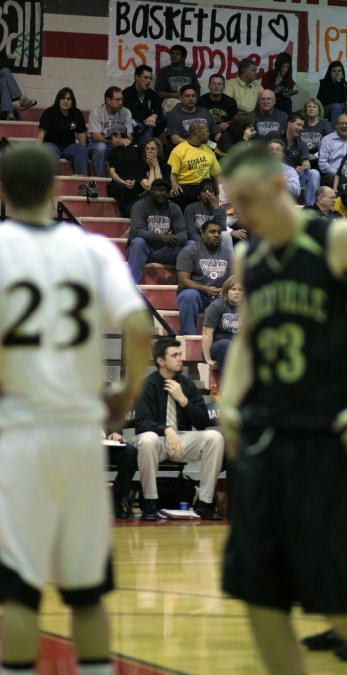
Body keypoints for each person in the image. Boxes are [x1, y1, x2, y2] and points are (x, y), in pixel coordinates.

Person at [219, 141, 347, 675]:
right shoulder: (250, 258)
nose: (237, 214)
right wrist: (230, 397)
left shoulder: (335, 239)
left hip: (330, 435)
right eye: (231, 204)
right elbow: (248, 341)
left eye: (244, 200)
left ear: (275, 187)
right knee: (258, 596)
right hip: (267, 434)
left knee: (337, 598)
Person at [0, 143, 151, 675]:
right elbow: (138, 326)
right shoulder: (90, 250)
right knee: (86, 593)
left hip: (17, 435)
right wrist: (125, 396)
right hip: (80, 435)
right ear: (54, 190)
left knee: (17, 593)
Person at [134, 336, 224, 520]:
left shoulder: (187, 384)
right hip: (158, 441)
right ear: (160, 361)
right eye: (174, 355)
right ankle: (150, 504)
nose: (180, 358)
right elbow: (142, 423)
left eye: (180, 354)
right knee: (147, 439)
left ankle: (205, 503)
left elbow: (202, 422)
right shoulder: (147, 385)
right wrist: (167, 429)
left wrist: (183, 400)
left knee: (214, 437)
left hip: (183, 440)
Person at [176, 220, 232, 335]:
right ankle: (188, 336)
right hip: (198, 295)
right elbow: (183, 280)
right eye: (212, 232)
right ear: (202, 234)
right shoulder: (189, 251)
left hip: (219, 296)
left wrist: (225, 290)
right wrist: (204, 289)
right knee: (189, 295)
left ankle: (226, 338)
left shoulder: (228, 254)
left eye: (219, 232)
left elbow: (234, 279)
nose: (216, 235)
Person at [127, 179, 187, 284]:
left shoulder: (174, 208)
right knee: (138, 242)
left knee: (191, 245)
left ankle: (186, 285)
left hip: (165, 250)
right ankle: (132, 287)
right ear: (151, 190)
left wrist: (175, 238)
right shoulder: (140, 205)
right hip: (145, 249)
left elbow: (183, 233)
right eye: (160, 190)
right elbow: (137, 231)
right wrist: (160, 237)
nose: (163, 193)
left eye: (166, 191)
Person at [168, 121, 222, 209]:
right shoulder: (179, 150)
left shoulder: (208, 150)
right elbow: (172, 173)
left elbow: (217, 175)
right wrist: (174, 184)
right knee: (177, 193)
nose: (209, 134)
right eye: (206, 131)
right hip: (185, 187)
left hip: (204, 187)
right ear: (197, 132)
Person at [37, 86, 89, 177]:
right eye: (63, 98)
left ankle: (81, 179)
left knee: (82, 150)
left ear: (72, 101)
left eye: (68, 99)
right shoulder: (50, 112)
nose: (65, 101)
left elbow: (82, 136)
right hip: (51, 144)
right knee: (51, 153)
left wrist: (84, 152)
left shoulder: (77, 113)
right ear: (58, 100)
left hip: (69, 146)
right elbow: (41, 134)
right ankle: (55, 181)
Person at [87, 87, 133, 177]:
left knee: (129, 147)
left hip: (116, 145)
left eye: (121, 99)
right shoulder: (97, 111)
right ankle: (100, 180)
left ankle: (124, 178)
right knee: (101, 147)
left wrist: (121, 142)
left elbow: (129, 136)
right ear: (108, 100)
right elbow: (95, 136)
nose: (121, 102)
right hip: (97, 145)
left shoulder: (126, 112)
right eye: (117, 100)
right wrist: (113, 141)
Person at [106, 123, 148, 217]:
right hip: (120, 183)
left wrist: (134, 181)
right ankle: (126, 214)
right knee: (118, 188)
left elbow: (143, 168)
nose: (111, 141)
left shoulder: (139, 148)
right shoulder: (113, 152)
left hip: (136, 183)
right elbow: (112, 172)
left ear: (117, 135)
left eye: (112, 137)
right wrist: (122, 181)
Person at [202, 275, 242, 372]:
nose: (237, 292)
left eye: (240, 290)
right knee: (226, 345)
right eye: (233, 289)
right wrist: (208, 359)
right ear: (226, 291)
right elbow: (207, 334)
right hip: (217, 347)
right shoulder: (216, 306)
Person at [122, 65, 162, 147]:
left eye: (150, 78)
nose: (148, 81)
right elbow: (132, 112)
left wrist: (154, 116)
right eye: (145, 77)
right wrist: (147, 121)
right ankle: (145, 149)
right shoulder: (127, 93)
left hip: (150, 125)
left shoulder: (151, 93)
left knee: (165, 116)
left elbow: (158, 107)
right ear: (136, 77)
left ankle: (151, 139)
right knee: (147, 127)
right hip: (133, 126)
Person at [184, 180, 230, 250]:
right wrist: (205, 243)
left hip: (215, 241)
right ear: (199, 194)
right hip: (197, 242)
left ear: (216, 194)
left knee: (226, 235)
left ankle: (227, 259)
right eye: (204, 191)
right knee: (190, 244)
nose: (207, 194)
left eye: (210, 191)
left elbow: (222, 230)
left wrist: (216, 209)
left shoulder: (221, 210)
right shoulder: (190, 208)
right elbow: (190, 232)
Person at [105, 432, 138, 519]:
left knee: (130, 452)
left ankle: (117, 498)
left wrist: (114, 433)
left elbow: (114, 424)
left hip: (107, 445)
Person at [318, 113, 347, 184]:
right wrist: (338, 174)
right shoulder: (327, 140)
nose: (344, 126)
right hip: (332, 175)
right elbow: (322, 164)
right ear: (336, 126)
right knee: (332, 179)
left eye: (346, 123)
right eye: (341, 123)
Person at [316, 60, 347, 127]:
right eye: (334, 71)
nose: (337, 73)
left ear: (342, 73)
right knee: (336, 106)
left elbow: (343, 102)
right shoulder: (324, 83)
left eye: (339, 71)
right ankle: (335, 132)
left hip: (338, 109)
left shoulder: (345, 85)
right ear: (330, 73)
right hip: (323, 110)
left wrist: (340, 84)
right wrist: (337, 84)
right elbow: (332, 101)